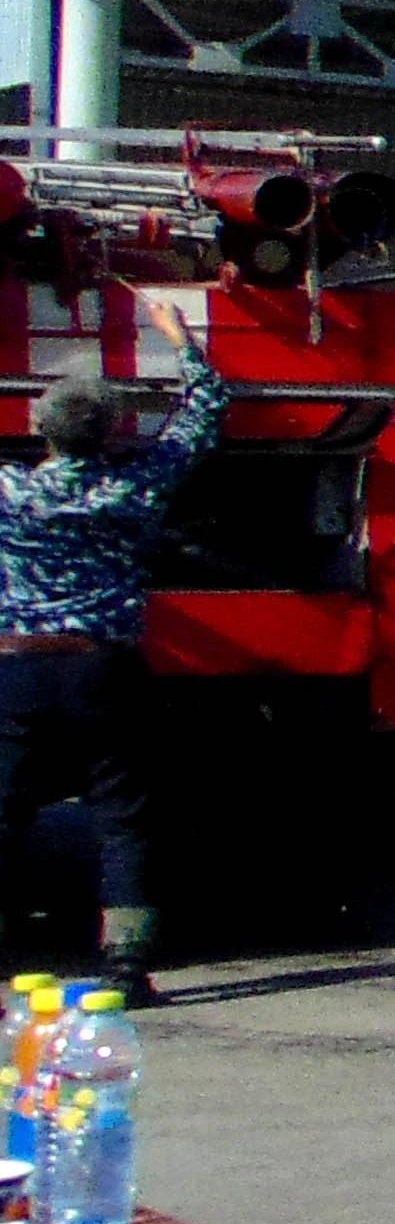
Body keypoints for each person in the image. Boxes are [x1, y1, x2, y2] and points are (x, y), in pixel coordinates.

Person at [0, 359, 228, 1000]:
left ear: (35, 425)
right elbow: (203, 416)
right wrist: (185, 345)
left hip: (18, 667)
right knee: (123, 817)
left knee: (4, 813)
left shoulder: (9, 491)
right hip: (104, 669)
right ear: (114, 430)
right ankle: (126, 966)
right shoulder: (136, 487)